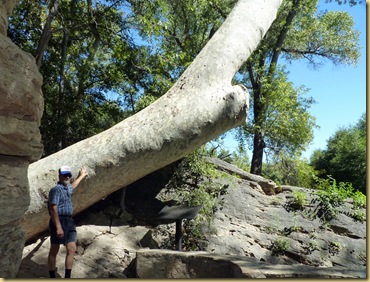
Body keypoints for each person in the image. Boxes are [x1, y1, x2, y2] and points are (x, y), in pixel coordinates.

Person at [47, 165, 88, 278]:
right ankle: (52, 277)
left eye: (68, 175)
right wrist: (58, 227)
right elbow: (53, 208)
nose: (67, 177)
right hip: (58, 220)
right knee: (54, 249)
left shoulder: (66, 188)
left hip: (69, 221)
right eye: (64, 175)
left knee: (72, 249)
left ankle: (67, 277)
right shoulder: (56, 189)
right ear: (59, 175)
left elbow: (72, 186)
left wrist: (82, 176)